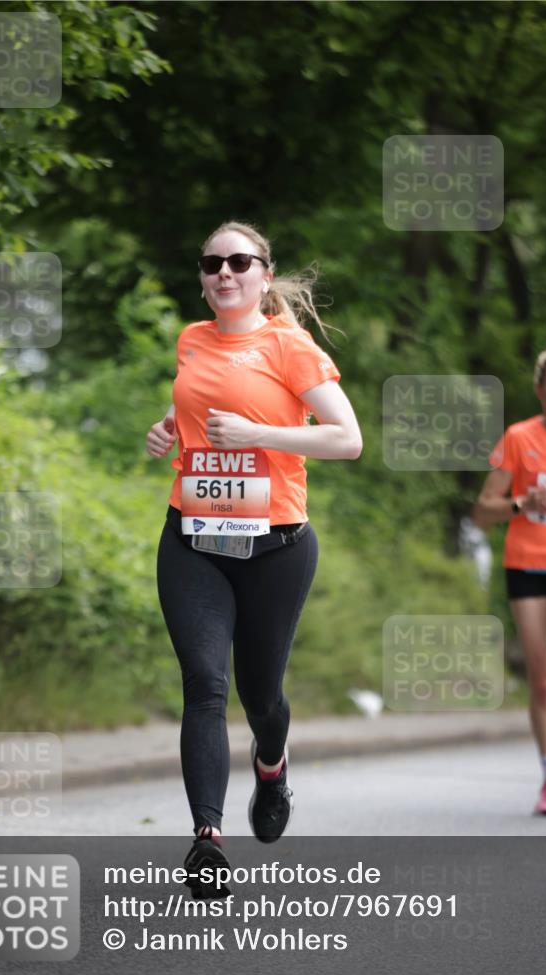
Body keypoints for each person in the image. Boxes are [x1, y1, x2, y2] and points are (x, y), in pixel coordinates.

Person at [146, 220, 362, 891]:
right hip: (194, 540)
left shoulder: (290, 347)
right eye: (211, 264)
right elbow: (199, 412)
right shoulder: (190, 339)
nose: (224, 273)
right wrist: (168, 431)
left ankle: (271, 762)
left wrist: (257, 433)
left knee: (258, 693)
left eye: (239, 261)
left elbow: (346, 438)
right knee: (204, 685)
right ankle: (206, 839)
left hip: (275, 547)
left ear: (264, 275)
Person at [474, 348, 546, 816]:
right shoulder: (519, 437)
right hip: (527, 564)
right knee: (544, 679)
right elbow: (482, 511)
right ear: (540, 391)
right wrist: (522, 500)